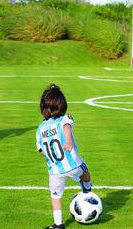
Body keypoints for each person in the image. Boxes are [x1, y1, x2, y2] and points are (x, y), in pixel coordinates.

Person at [36, 84, 92, 229]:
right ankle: (87, 191)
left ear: (43, 108)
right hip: (73, 164)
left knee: (55, 196)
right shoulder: (65, 118)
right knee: (85, 171)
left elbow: (40, 150)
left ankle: (58, 224)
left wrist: (49, 155)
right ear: (63, 105)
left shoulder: (40, 128)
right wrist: (68, 141)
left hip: (54, 171)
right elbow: (67, 127)